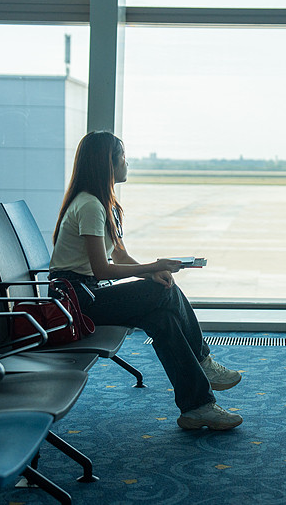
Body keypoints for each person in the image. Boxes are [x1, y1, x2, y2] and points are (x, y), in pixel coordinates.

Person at [49, 131, 242, 430]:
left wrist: (150, 270)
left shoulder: (104, 204)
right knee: (165, 292)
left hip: (87, 295)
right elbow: (102, 270)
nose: (127, 163)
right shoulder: (89, 205)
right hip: (74, 302)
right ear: (108, 164)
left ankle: (198, 407)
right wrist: (156, 266)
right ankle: (203, 362)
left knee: (162, 316)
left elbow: (121, 257)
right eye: (123, 157)